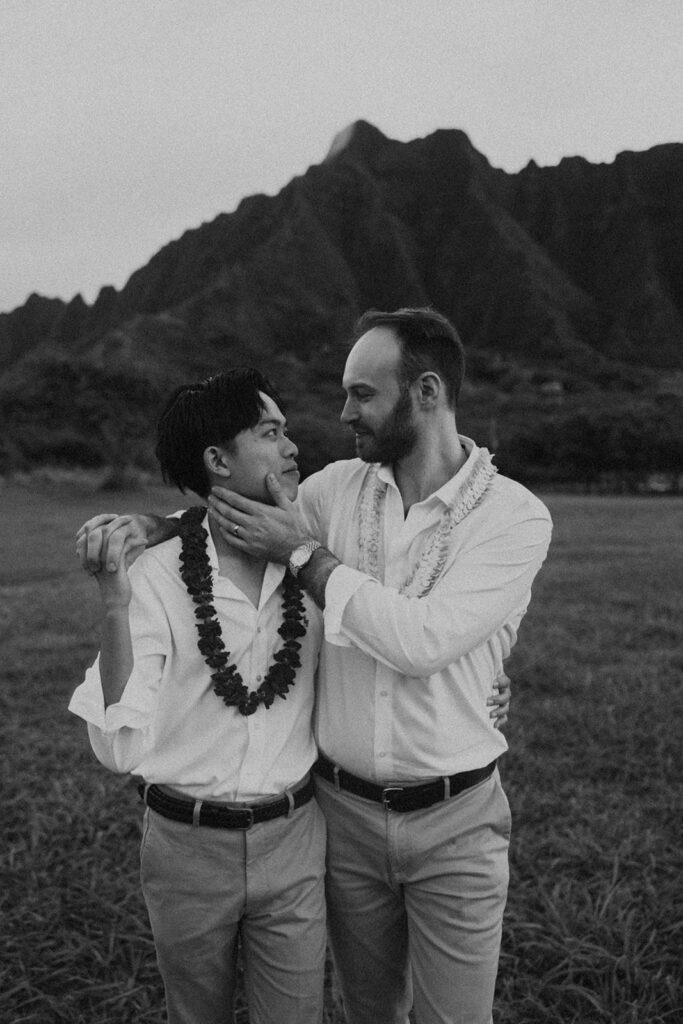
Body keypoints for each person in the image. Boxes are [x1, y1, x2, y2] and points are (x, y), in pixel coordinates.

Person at [78, 306, 540, 1024]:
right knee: (366, 1012)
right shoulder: (332, 493)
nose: (342, 412)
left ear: (424, 392)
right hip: (341, 817)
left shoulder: (515, 515)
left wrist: (304, 555)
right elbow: (232, 505)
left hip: (456, 815)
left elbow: (422, 640)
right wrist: (155, 524)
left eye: (361, 393)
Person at [68, 368, 329, 1024]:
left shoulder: (320, 563)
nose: (291, 447)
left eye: (287, 431)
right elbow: (120, 745)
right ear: (217, 459)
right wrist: (112, 601)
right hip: (187, 846)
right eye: (271, 433)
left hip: (295, 836)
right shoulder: (155, 575)